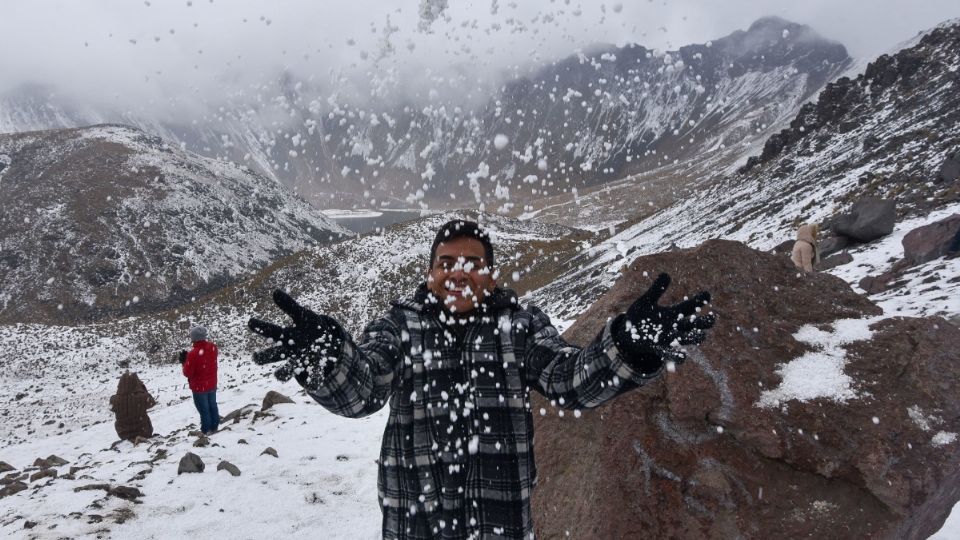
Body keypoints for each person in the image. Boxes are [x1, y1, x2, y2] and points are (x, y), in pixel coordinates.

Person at [248, 219, 715, 539]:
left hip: (500, 519)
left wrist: (626, 347)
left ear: (489, 276)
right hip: (416, 522)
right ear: (430, 273)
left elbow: (570, 379)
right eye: (445, 263)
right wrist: (331, 361)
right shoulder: (400, 326)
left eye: (470, 263)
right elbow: (363, 391)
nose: (456, 273)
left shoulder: (519, 326)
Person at [182, 326, 219, 434]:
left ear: (193, 338)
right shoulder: (213, 347)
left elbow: (187, 373)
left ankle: (206, 430)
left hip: (199, 387)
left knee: (204, 410)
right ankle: (215, 426)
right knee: (212, 405)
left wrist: (184, 362)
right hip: (211, 383)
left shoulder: (193, 354)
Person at [109, 371, 157, 442]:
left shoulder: (114, 399)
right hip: (143, 432)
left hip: (123, 434)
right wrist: (142, 388)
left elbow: (112, 408)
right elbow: (152, 402)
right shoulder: (142, 397)